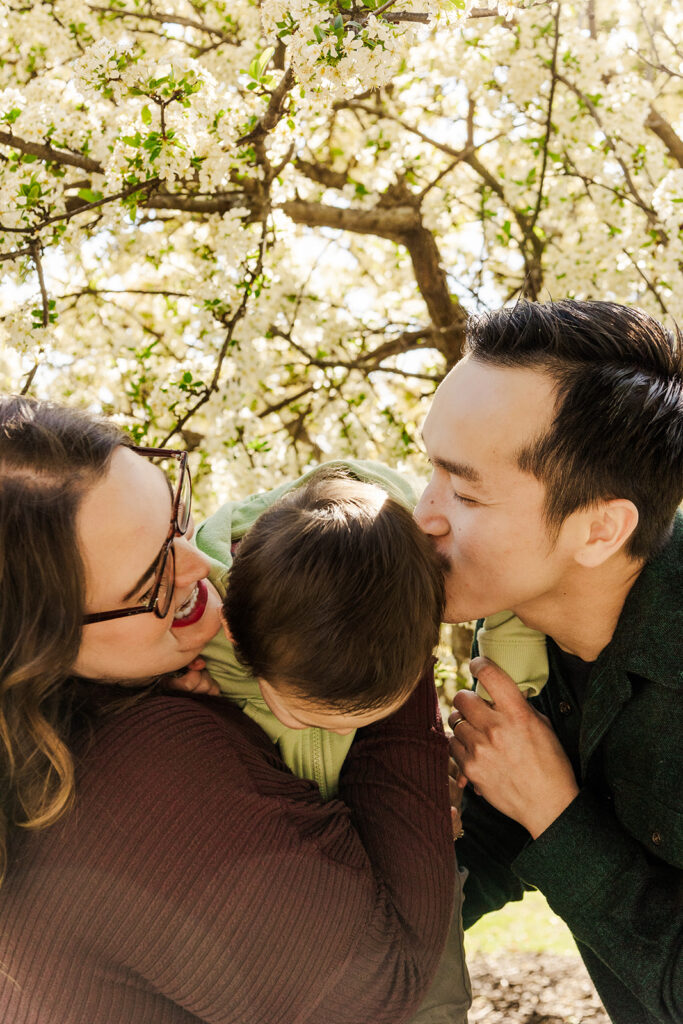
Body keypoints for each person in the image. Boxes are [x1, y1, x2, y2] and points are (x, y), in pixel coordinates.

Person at [0, 395, 457, 1024]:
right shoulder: (141, 769)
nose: (198, 564)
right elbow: (381, 983)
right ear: (36, 645)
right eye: (150, 580)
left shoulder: (86, 712)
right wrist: (386, 614)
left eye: (174, 516)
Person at [415, 299, 683, 1024]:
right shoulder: (514, 624)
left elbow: (544, 816)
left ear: (599, 529)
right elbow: (498, 842)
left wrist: (551, 809)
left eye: (464, 490)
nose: (423, 516)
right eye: (429, 470)